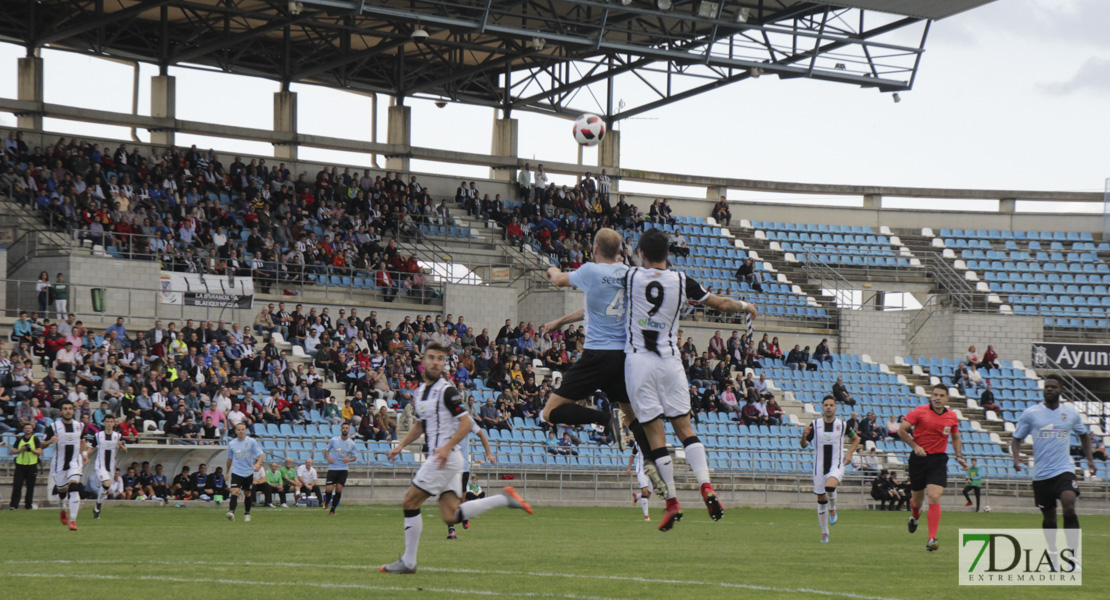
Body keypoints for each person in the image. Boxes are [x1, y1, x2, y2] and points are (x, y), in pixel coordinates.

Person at [621, 228, 757, 531]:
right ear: (669, 254)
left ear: (641, 254)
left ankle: (671, 501)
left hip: (639, 362)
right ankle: (706, 485)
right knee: (685, 427)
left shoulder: (629, 277)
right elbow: (721, 304)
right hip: (670, 362)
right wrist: (746, 306)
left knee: (656, 434)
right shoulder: (683, 281)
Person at [380, 342, 532, 574]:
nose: (435, 362)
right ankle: (504, 499)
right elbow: (421, 425)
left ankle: (409, 562)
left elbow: (467, 422)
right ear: (422, 361)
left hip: (445, 457)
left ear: (444, 364)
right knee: (450, 514)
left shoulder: (447, 391)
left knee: (409, 502)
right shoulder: (420, 392)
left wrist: (446, 446)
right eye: (431, 357)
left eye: (440, 359)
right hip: (447, 459)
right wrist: (401, 445)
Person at [541, 228, 628, 447]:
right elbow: (595, 307)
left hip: (598, 355)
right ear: (619, 251)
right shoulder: (628, 273)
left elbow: (559, 280)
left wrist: (551, 268)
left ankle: (606, 419)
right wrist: (561, 321)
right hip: (622, 356)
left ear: (594, 249)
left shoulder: (591, 271)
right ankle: (651, 459)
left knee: (550, 412)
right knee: (635, 419)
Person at [1011, 374, 1096, 571]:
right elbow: (1016, 439)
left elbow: (1083, 435)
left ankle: (1073, 558)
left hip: (1064, 469)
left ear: (1061, 390)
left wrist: (1090, 460)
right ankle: (1053, 554)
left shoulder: (1070, 414)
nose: (1049, 389)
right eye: (1046, 387)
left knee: (1069, 506)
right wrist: (1016, 458)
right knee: (1049, 518)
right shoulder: (1031, 414)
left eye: (1053, 387)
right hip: (1041, 475)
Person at [898, 384, 967, 552]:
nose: (937, 398)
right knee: (917, 501)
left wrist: (958, 456)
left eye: (941, 395)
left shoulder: (951, 416)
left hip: (938, 459)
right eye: (935, 394)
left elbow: (956, 437)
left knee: (934, 496)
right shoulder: (919, 411)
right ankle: (915, 515)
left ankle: (932, 538)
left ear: (947, 398)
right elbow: (901, 430)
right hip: (918, 459)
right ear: (931, 396)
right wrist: (915, 446)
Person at [801, 396, 861, 543]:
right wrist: (803, 437)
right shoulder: (815, 425)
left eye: (831, 405)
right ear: (822, 407)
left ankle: (833, 508)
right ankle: (824, 533)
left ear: (835, 408)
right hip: (819, 467)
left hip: (837, 464)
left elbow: (857, 439)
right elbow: (804, 445)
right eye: (826, 405)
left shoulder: (843, 424)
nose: (828, 407)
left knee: (830, 486)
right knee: (821, 499)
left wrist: (849, 454)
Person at [40, 399, 86, 530]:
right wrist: (49, 441)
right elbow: (41, 445)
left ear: (73, 410)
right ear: (61, 411)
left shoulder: (79, 425)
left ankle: (73, 520)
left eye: (70, 409)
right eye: (65, 409)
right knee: (61, 492)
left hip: (74, 462)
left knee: (74, 486)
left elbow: (82, 441)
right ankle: (62, 508)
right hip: (59, 464)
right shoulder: (53, 427)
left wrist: (84, 455)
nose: (68, 411)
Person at [447, 418, 494, 540]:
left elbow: (481, 434)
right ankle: (451, 529)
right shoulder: (445, 416)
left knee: (460, 500)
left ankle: (464, 514)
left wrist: (488, 453)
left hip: (463, 467)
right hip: (448, 466)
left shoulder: (467, 420)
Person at [224, 422, 264, 522]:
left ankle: (247, 513)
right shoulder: (232, 443)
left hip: (248, 472)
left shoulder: (251, 441)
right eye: (239, 429)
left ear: (246, 430)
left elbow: (261, 454)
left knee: (247, 494)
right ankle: (231, 512)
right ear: (235, 431)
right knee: (234, 491)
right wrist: (227, 472)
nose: (241, 431)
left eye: (243, 429)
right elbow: (229, 459)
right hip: (237, 472)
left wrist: (258, 463)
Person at [90, 414, 127, 519]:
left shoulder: (118, 436)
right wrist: (85, 456)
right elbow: (92, 447)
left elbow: (125, 451)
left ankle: (97, 506)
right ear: (104, 423)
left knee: (106, 488)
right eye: (107, 421)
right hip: (100, 465)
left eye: (111, 421)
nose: (109, 423)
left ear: (114, 423)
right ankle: (98, 505)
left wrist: (121, 446)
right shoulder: (98, 435)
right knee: (106, 484)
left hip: (111, 467)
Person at [324, 421, 358, 515]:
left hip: (343, 469)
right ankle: (326, 502)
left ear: (349, 430)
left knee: (339, 489)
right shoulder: (334, 440)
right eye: (343, 428)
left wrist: (349, 460)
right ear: (341, 429)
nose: (345, 429)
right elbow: (326, 450)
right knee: (329, 489)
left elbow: (354, 457)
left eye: (347, 428)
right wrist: (328, 458)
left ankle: (332, 510)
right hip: (333, 468)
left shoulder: (352, 443)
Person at [9, 422, 43, 510]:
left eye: (29, 428)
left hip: (32, 465)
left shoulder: (35, 439)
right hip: (20, 465)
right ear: (24, 430)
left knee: (30, 486)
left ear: (32, 430)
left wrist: (31, 450)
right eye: (26, 428)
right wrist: (21, 449)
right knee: (17, 485)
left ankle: (28, 505)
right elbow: (13, 451)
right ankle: (14, 505)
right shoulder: (19, 439)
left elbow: (39, 452)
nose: (28, 430)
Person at [626, 438, 654, 521]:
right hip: (641, 470)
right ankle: (646, 516)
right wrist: (629, 467)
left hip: (651, 470)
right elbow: (633, 455)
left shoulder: (653, 442)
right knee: (644, 492)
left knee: (647, 495)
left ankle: (637, 496)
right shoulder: (638, 443)